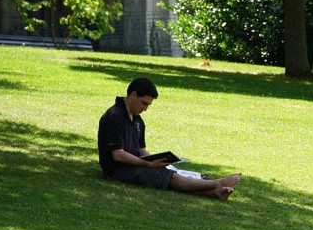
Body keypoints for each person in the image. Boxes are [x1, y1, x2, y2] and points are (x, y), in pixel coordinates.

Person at [98, 77, 241, 201]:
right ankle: (216, 184)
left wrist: (155, 160)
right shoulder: (114, 116)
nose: (145, 108)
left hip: (136, 165)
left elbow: (141, 149)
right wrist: (147, 164)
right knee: (169, 177)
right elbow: (118, 155)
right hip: (118, 170)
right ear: (133, 95)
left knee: (167, 172)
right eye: (144, 103)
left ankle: (214, 193)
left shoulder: (138, 120)